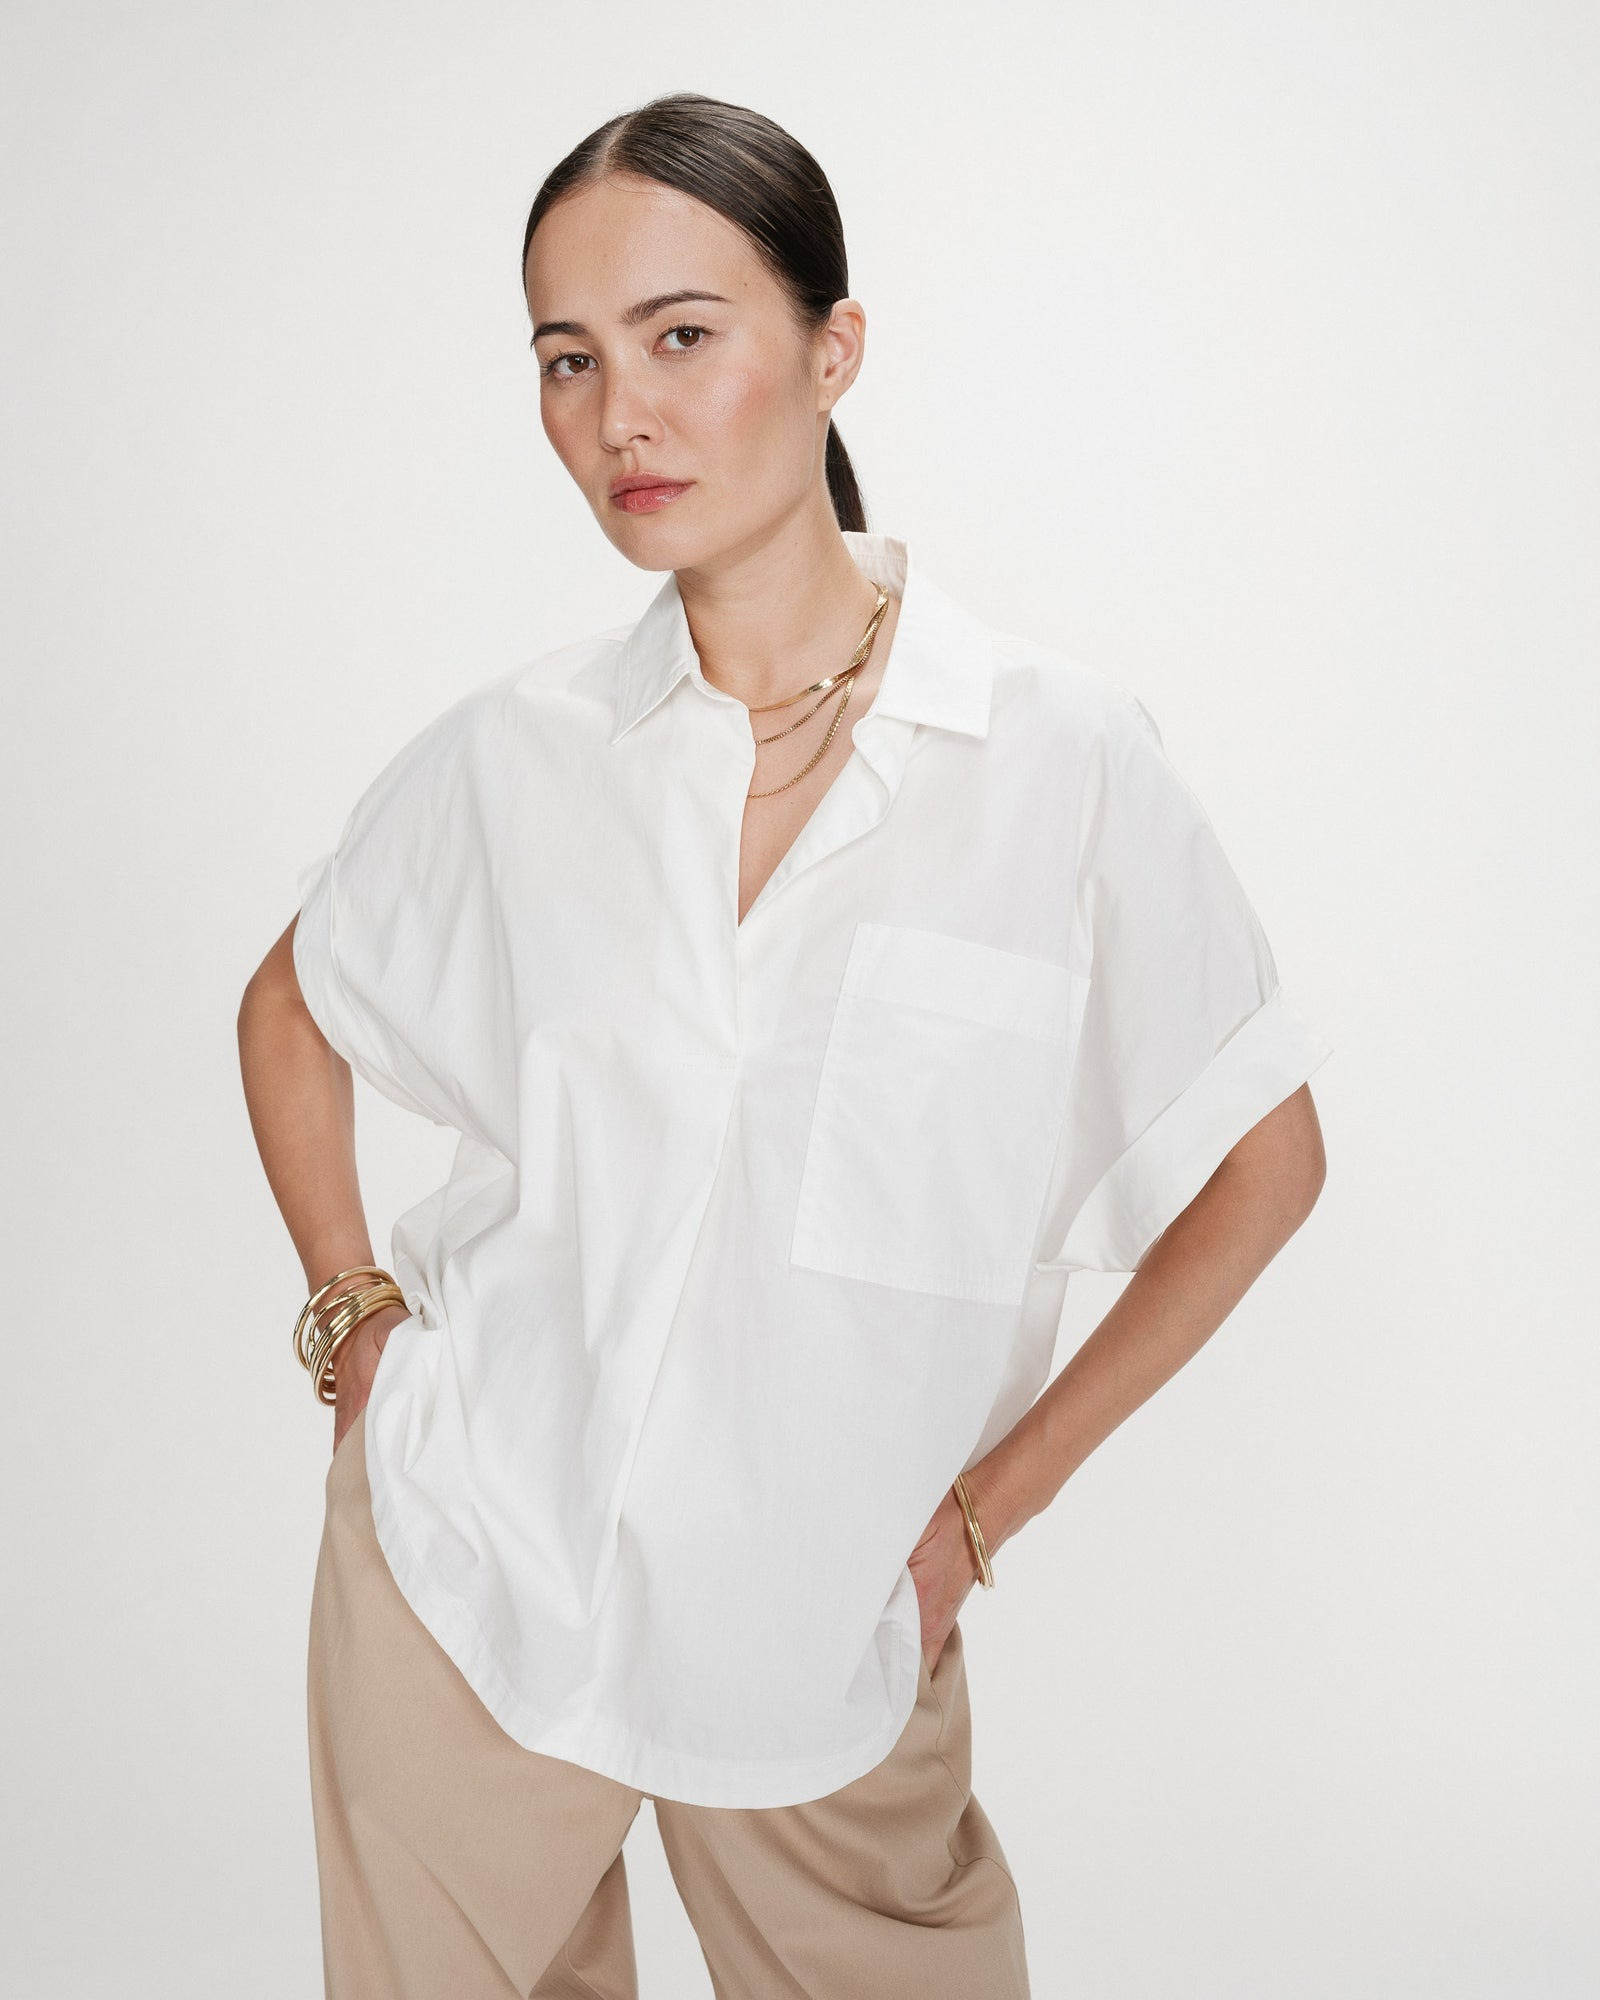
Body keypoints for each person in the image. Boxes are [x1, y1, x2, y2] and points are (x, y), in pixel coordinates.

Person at [238, 90, 1332, 2000]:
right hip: (474, 1572)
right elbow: (290, 1003)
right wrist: (356, 1325)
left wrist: (986, 1512)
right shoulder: (519, 755)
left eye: (681, 335)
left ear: (834, 348)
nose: (619, 416)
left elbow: (1265, 1162)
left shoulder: (1057, 759)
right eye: (568, 360)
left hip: (827, 1625)